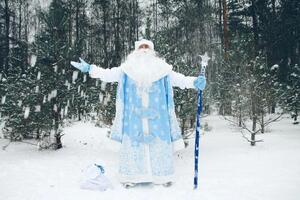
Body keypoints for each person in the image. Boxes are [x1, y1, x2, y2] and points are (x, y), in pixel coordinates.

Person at [71, 39, 206, 188]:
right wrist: (90, 68)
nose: (144, 49)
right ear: (135, 51)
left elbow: (180, 79)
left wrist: (194, 82)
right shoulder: (126, 70)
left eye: (147, 47)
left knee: (158, 145)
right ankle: (131, 177)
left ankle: (162, 176)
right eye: (141, 47)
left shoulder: (163, 70)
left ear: (152, 51)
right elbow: (107, 74)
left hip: (158, 120)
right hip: (133, 121)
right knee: (133, 145)